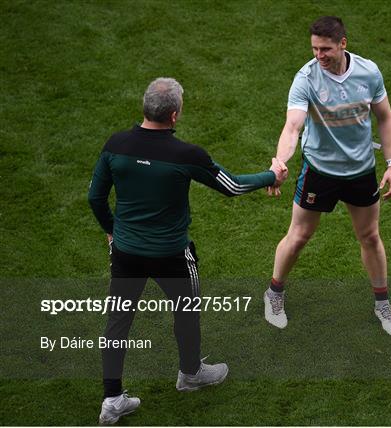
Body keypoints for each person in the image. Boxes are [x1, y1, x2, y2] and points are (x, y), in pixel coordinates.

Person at [88, 77, 287, 425]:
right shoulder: (185, 155)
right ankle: (190, 373)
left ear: (145, 107)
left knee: (118, 322)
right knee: (186, 311)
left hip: (125, 253)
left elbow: (95, 197)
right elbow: (234, 186)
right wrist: (272, 175)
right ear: (175, 115)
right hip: (171, 255)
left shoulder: (115, 145)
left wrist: (112, 230)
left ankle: (112, 399)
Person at [264, 16, 391, 336]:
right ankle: (274, 293)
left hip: (361, 171)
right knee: (299, 236)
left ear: (343, 44)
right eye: (314, 48)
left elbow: (385, 117)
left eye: (325, 49)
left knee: (370, 237)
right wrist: (280, 162)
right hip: (320, 172)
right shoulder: (306, 78)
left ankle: (382, 303)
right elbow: (293, 127)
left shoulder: (369, 72)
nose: (319, 55)